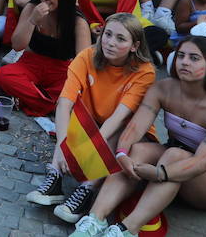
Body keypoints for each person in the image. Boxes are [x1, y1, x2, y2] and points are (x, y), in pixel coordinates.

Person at [70, 36, 206, 237]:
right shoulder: (164, 88)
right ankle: (93, 221)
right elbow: (135, 129)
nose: (185, 62)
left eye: (194, 58)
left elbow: (202, 162)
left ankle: (127, 230)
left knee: (174, 155)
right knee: (137, 149)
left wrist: (160, 174)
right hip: (172, 159)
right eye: (180, 56)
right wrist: (122, 154)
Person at [30, 14, 156, 223]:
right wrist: (63, 147)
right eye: (107, 34)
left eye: (120, 39)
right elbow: (64, 103)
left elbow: (118, 118)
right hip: (93, 122)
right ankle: (55, 179)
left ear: (135, 46)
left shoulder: (145, 72)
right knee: (72, 115)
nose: (110, 42)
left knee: (117, 130)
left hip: (127, 132)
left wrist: (87, 150)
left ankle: (86, 191)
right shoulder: (87, 55)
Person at [0, 0, 89, 117]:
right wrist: (33, 20)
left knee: (78, 91)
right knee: (3, 75)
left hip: (61, 69)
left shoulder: (77, 21)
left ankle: (32, 99)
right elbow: (17, 45)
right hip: (31, 63)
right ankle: (52, 106)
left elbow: (83, 64)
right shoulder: (32, 8)